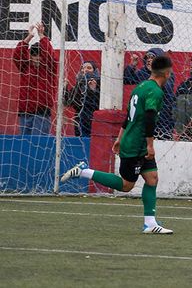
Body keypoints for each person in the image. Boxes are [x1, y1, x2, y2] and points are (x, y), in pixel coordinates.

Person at [60, 55, 176, 234]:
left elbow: (129, 116)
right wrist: (150, 145)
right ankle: (84, 171)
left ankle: (150, 224)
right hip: (137, 144)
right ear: (167, 73)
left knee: (152, 178)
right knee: (126, 185)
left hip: (132, 140)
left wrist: (119, 138)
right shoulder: (155, 91)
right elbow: (149, 118)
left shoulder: (141, 87)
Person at [13, 22, 57, 135]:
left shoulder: (49, 68)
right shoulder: (25, 66)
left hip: (41, 113)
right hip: (24, 112)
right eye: (33, 54)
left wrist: (41, 35)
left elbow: (49, 54)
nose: (36, 57)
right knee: (24, 144)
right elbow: (17, 55)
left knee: (39, 143)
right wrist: (29, 37)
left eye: (39, 54)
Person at [124, 48, 175, 140]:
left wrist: (156, 72)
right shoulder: (143, 72)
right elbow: (127, 79)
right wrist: (132, 65)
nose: (149, 60)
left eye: (153, 57)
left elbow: (166, 87)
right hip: (144, 117)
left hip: (162, 118)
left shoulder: (167, 73)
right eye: (147, 57)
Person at [66, 60, 101, 137]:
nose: (85, 70)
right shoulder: (79, 84)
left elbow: (96, 105)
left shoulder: (100, 84)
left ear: (94, 71)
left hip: (94, 120)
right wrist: (64, 88)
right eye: (83, 68)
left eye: (89, 68)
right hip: (79, 120)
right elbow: (68, 102)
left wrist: (93, 90)